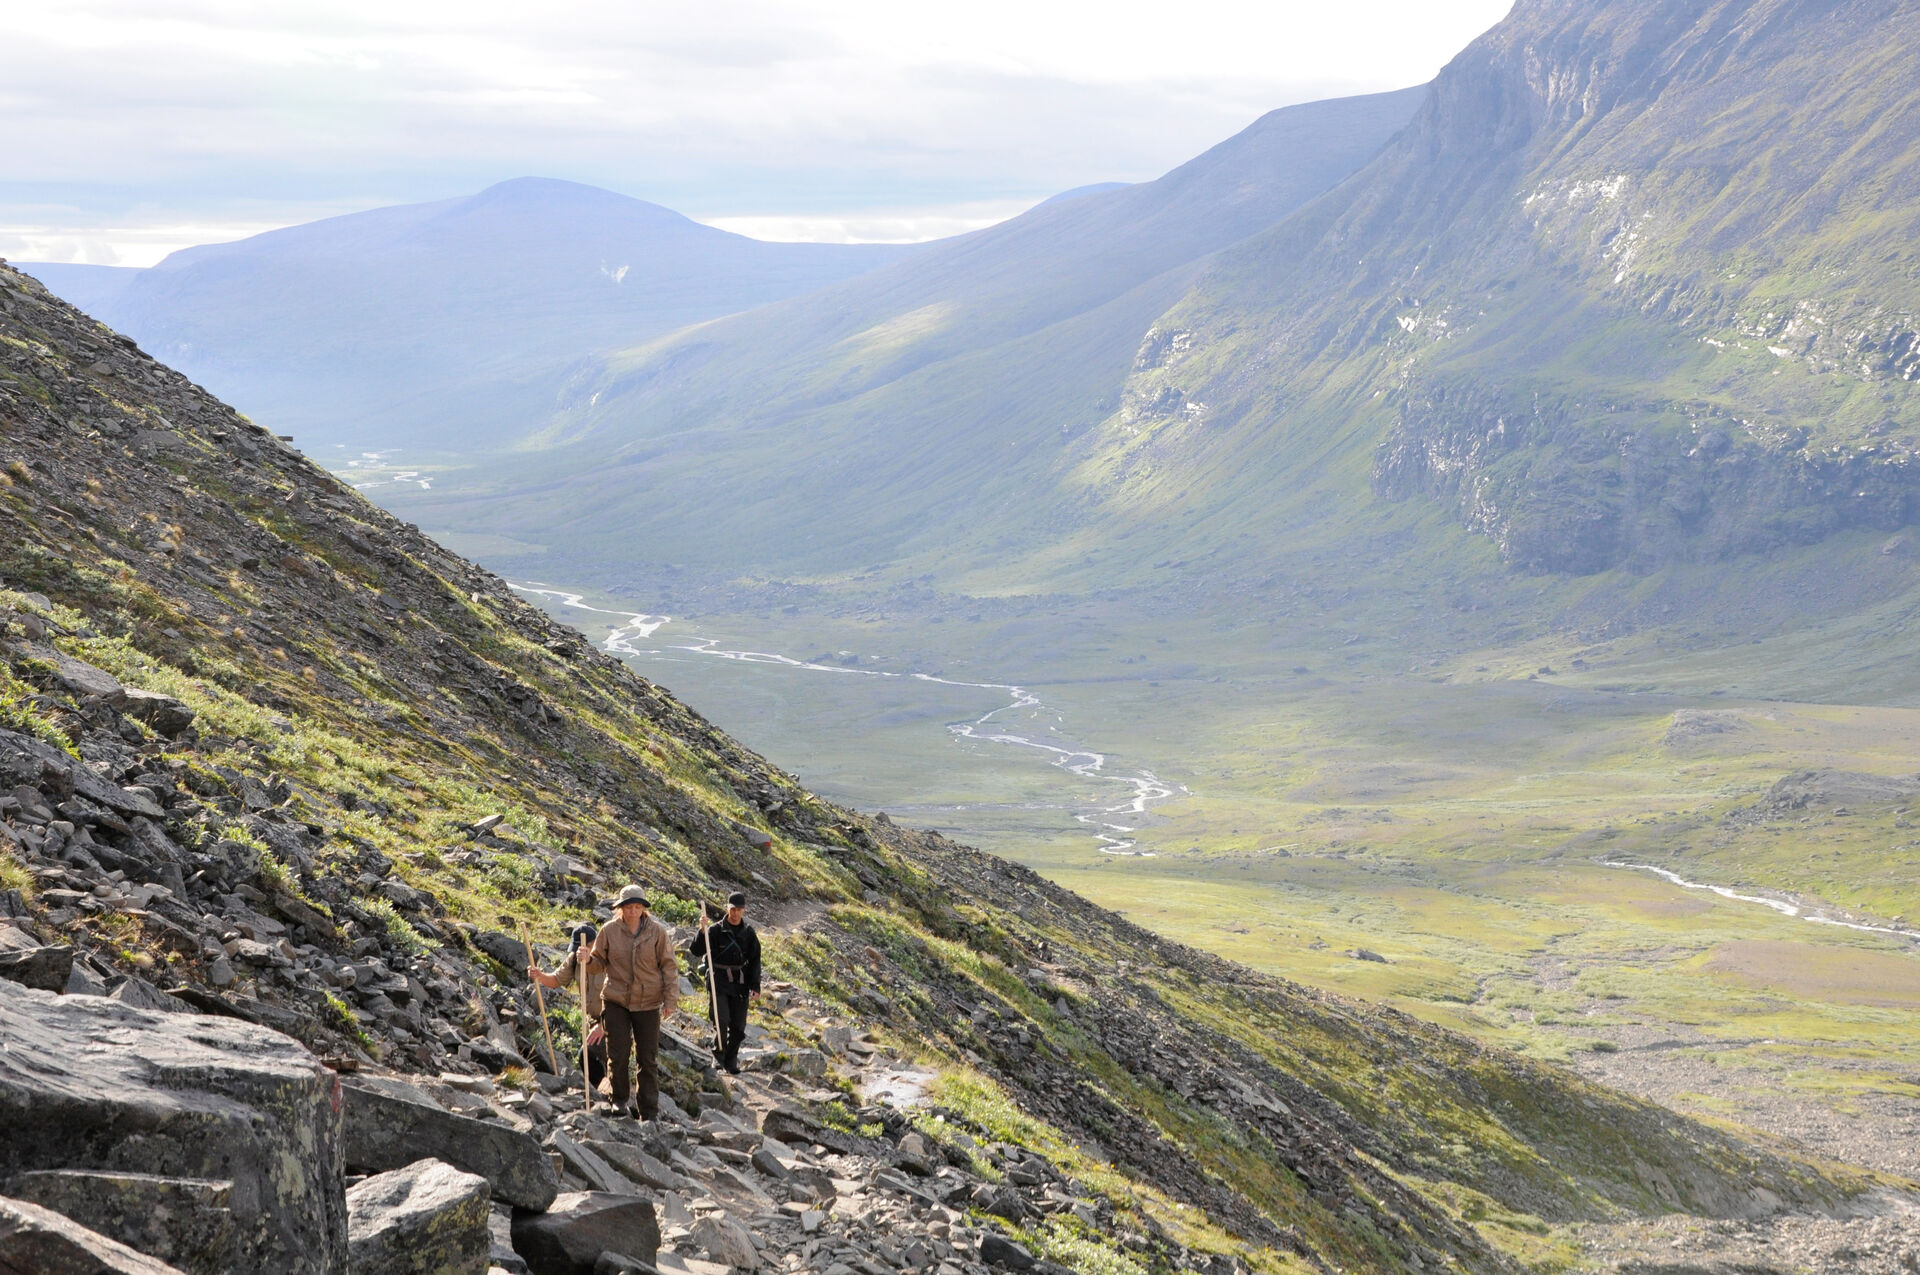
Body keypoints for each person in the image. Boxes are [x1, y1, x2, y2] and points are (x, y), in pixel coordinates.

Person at [584, 885, 678, 1120]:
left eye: (637, 907)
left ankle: (649, 1111)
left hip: (648, 1003)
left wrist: (670, 999)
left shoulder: (657, 932)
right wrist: (587, 960)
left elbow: (669, 966)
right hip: (615, 1000)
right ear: (620, 908)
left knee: (647, 1058)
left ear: (643, 908)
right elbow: (598, 963)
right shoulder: (609, 930)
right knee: (617, 1053)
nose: (633, 911)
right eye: (628, 907)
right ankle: (618, 1101)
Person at [527, 922, 607, 1098]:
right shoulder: (573, 959)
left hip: (614, 1019)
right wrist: (539, 975)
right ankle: (598, 1095)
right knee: (588, 1056)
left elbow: (621, 995)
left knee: (597, 1056)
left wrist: (604, 1025)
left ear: (594, 943)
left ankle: (612, 1096)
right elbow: (556, 980)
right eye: (576, 948)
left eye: (584, 947)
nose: (579, 952)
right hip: (593, 1021)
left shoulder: (607, 958)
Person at [690, 890, 761, 1074]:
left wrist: (755, 986)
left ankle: (731, 1061)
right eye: (732, 909)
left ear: (744, 909)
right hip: (719, 980)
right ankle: (718, 1056)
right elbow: (696, 950)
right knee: (721, 1019)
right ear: (727, 908)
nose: (735, 913)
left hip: (740, 983)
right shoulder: (714, 930)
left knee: (738, 1026)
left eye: (739, 909)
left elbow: (755, 960)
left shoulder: (748, 933)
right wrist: (702, 931)